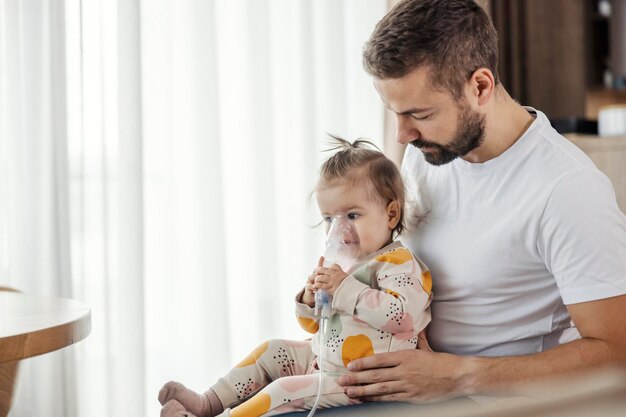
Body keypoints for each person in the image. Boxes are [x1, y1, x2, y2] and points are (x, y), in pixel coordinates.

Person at [336, 0, 626, 404]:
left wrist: (458, 377)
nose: (402, 135)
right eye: (394, 113)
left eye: (419, 113)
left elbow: (616, 355)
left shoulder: (568, 189)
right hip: (402, 386)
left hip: (491, 404)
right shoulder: (429, 154)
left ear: (480, 87)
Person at [158, 138, 433, 417]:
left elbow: (402, 317)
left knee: (283, 390)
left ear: (391, 213)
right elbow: (312, 326)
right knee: (271, 350)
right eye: (329, 218)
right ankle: (208, 403)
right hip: (322, 360)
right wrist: (310, 298)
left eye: (352, 215)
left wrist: (344, 289)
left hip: (362, 380)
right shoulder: (345, 265)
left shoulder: (398, 264)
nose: (339, 229)